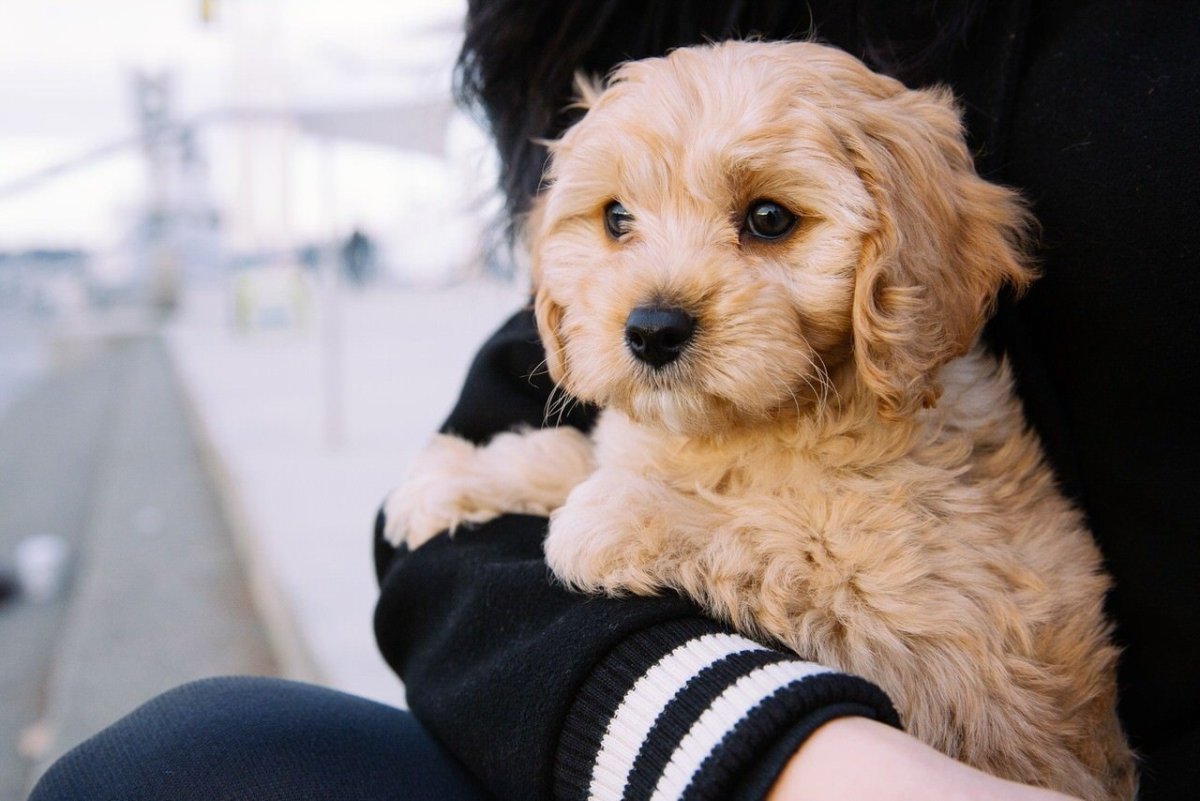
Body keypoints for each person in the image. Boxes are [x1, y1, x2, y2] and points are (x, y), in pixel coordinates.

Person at [31, 1, 1198, 799]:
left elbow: (902, 601)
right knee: (181, 762)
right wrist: (539, 474)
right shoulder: (644, 332)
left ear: (906, 266)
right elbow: (454, 550)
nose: (658, 299)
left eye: (769, 221)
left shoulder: (926, 419)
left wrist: (676, 534)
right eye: (618, 222)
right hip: (713, 748)